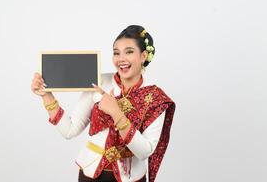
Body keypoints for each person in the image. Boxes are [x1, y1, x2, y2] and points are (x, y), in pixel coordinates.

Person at [31, 25, 176, 182]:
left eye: (129, 52)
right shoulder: (99, 82)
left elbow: (144, 152)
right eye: (116, 53)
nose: (121, 59)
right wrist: (46, 96)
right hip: (90, 174)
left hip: (130, 177)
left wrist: (116, 112)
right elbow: (69, 130)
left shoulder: (156, 98)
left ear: (143, 56)